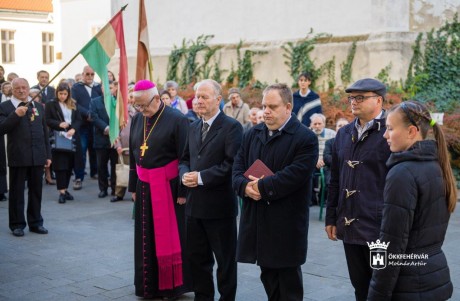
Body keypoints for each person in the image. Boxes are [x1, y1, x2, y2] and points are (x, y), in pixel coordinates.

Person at [233, 83, 318, 301]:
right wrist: (244, 187)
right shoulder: (252, 133)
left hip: (286, 223)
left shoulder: (305, 138)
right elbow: (237, 169)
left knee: (288, 282)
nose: (266, 111)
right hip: (258, 221)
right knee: (268, 276)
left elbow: (295, 175)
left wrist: (260, 187)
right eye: (264, 106)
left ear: (288, 107)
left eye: (272, 106)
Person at [366, 100, 456, 300]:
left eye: (390, 128)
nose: (385, 135)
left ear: (411, 131)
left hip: (410, 284)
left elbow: (391, 243)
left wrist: (376, 295)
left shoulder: (402, 173)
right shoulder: (437, 164)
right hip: (435, 276)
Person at [325, 78, 391, 301]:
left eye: (360, 97)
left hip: (380, 230)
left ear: (379, 100)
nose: (353, 101)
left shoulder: (392, 132)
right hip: (350, 226)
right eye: (352, 97)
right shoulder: (343, 134)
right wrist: (331, 217)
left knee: (382, 288)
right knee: (359, 286)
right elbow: (335, 179)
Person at [180, 79, 242, 301]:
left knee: (225, 262)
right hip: (194, 207)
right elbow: (185, 158)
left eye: (204, 97)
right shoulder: (193, 126)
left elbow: (231, 164)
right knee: (197, 260)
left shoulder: (232, 127)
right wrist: (184, 174)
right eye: (197, 96)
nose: (199, 101)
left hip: (220, 209)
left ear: (218, 99)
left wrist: (201, 177)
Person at [129, 80, 191, 299]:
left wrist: (183, 192)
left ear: (156, 99)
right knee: (145, 238)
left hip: (170, 187)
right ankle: (148, 286)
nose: (141, 110)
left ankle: (172, 287)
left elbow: (186, 156)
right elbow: (134, 155)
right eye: (138, 106)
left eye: (144, 105)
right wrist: (132, 186)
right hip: (143, 186)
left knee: (170, 237)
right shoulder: (138, 119)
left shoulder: (178, 120)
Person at [0, 78, 51, 237]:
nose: (22, 91)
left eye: (24, 87)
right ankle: (17, 224)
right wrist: (15, 115)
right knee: (17, 192)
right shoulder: (5, 107)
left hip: (37, 156)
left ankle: (36, 222)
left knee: (36, 191)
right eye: (17, 88)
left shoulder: (37, 106)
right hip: (18, 156)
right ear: (11, 90)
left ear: (29, 88)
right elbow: (2, 128)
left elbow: (45, 132)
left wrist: (47, 155)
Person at [45, 83, 83, 203]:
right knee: (61, 166)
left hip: (72, 137)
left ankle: (65, 189)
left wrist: (74, 129)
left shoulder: (73, 103)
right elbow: (47, 120)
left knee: (69, 166)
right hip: (59, 137)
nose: (62, 96)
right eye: (60, 94)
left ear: (68, 94)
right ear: (57, 93)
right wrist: (59, 124)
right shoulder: (51, 104)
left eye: (65, 94)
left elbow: (78, 119)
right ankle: (61, 191)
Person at [71, 65, 102, 189]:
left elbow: (102, 101)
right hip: (82, 124)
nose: (89, 76)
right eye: (87, 74)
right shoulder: (76, 87)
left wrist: (94, 115)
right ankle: (78, 177)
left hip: (96, 124)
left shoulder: (98, 87)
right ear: (82, 74)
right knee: (81, 151)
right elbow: (74, 104)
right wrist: (87, 113)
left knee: (95, 149)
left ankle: (95, 172)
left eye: (92, 74)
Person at [90, 81, 118, 198]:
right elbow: (94, 117)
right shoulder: (95, 101)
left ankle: (115, 189)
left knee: (115, 165)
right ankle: (103, 189)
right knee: (101, 165)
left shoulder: (119, 102)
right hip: (101, 138)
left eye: (110, 87)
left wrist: (115, 130)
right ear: (102, 89)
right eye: (106, 87)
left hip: (116, 139)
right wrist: (107, 128)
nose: (108, 90)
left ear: (115, 88)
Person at [111, 85, 137, 202]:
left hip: (137, 149)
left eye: (133, 96)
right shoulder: (121, 113)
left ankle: (135, 193)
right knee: (122, 170)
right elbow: (116, 131)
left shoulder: (140, 112)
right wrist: (118, 146)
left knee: (136, 172)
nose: (131, 99)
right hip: (124, 148)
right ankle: (119, 193)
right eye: (129, 96)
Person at [310, 113, 336, 205]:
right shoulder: (307, 134)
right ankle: (311, 199)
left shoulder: (332, 134)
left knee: (328, 175)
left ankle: (323, 199)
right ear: (311, 124)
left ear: (324, 124)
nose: (317, 126)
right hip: (312, 162)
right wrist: (315, 160)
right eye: (315, 124)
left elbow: (334, 151)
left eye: (319, 123)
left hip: (326, 162)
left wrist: (324, 161)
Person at [323, 118, 349, 185]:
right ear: (336, 128)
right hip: (333, 170)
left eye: (345, 125)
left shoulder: (354, 142)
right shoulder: (329, 142)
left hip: (349, 170)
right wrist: (342, 163)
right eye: (340, 125)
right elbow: (326, 157)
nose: (342, 127)